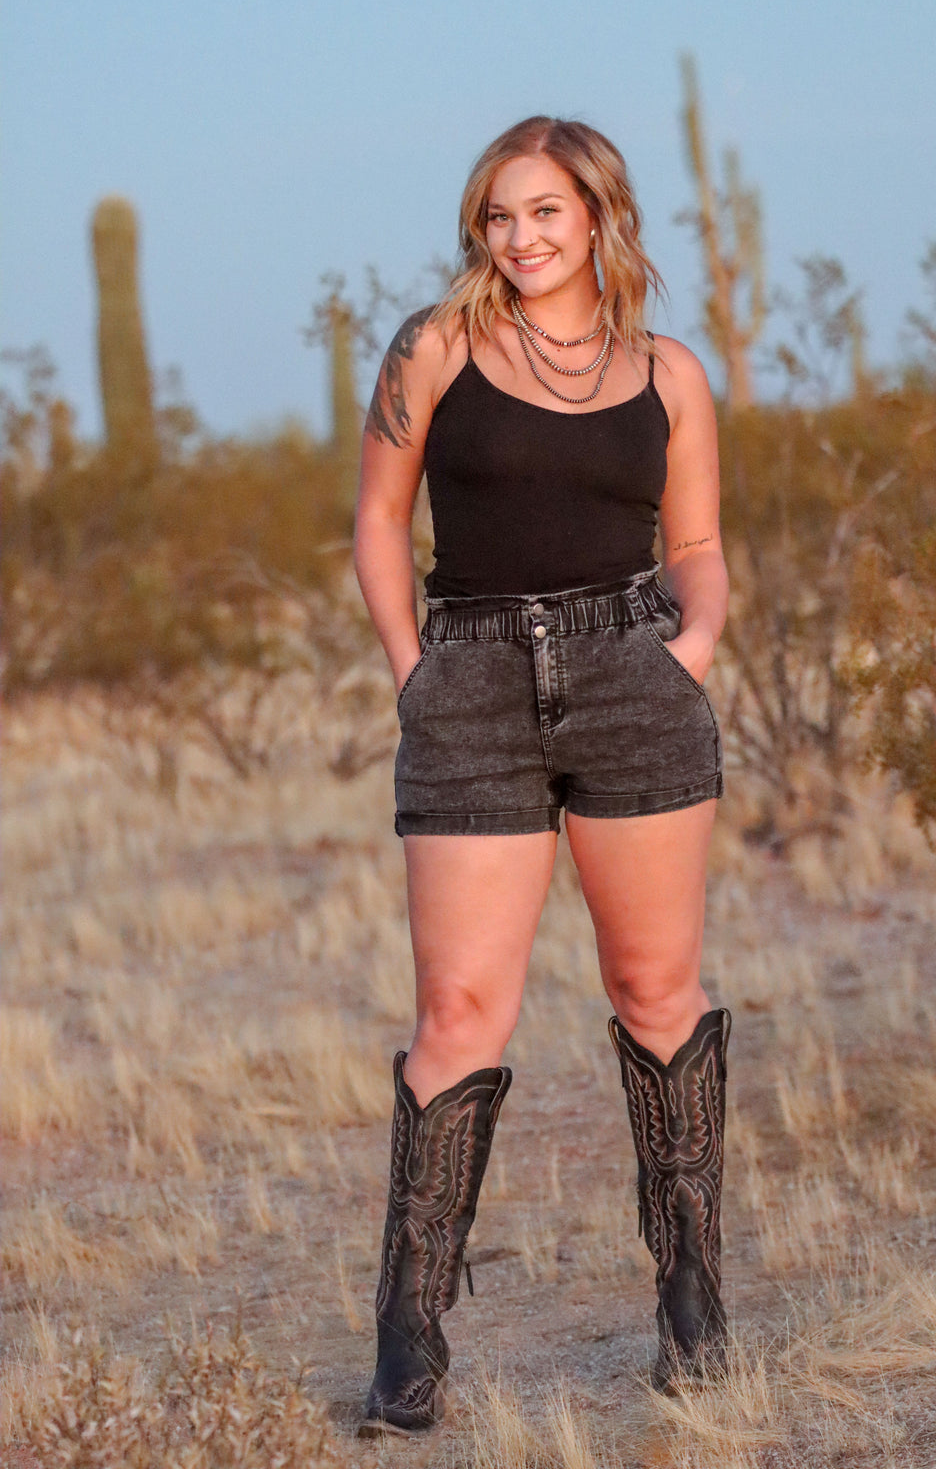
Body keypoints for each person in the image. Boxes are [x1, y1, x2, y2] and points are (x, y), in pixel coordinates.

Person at [352, 115, 731, 1438]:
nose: (517, 239)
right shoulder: (436, 348)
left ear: (598, 219)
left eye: (544, 214)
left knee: (653, 987)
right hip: (470, 687)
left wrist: (692, 648)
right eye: (497, 216)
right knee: (458, 1007)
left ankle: (692, 1301)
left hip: (633, 680)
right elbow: (380, 521)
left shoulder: (668, 373)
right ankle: (409, 1333)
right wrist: (416, 668)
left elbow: (698, 540)